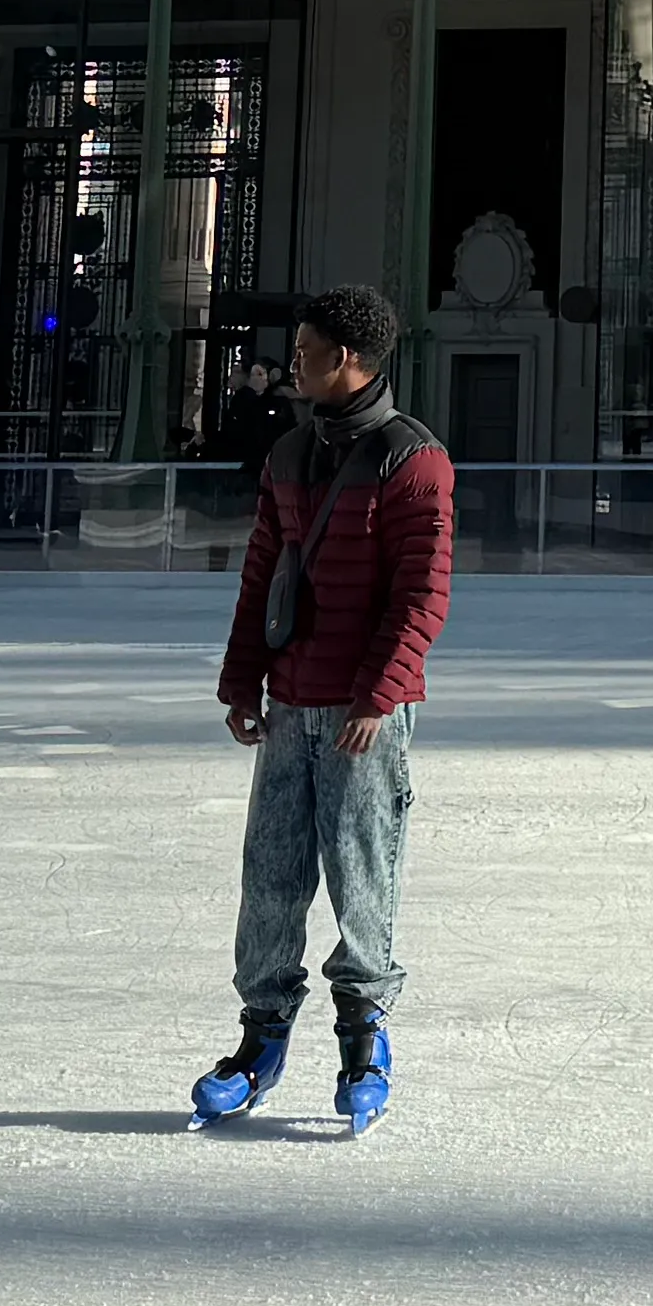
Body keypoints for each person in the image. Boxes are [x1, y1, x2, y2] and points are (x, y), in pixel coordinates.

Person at [187, 289, 451, 1139]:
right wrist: (242, 680)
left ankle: (364, 1039)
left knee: (360, 874)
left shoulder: (413, 461)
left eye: (304, 351)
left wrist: (379, 696)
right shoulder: (291, 452)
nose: (292, 362)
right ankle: (259, 1041)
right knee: (270, 876)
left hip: (362, 714)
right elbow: (262, 570)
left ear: (346, 359)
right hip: (292, 700)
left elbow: (422, 595)